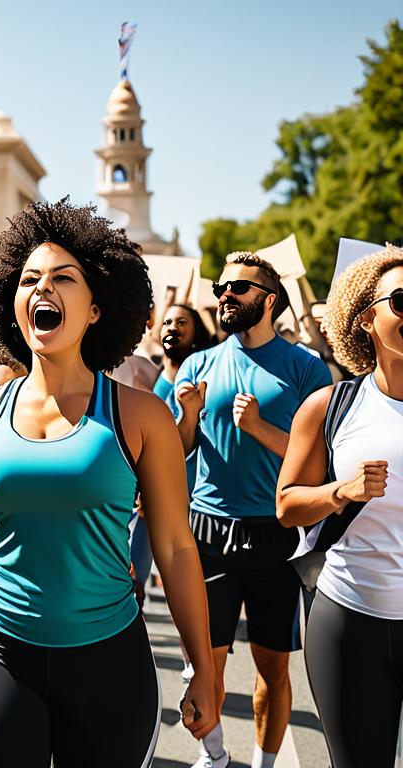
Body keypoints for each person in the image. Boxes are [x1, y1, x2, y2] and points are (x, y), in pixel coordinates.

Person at [0, 199, 217, 767]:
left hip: (110, 663)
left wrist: (203, 668)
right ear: (11, 301)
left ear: (97, 308)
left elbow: (177, 548)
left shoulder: (140, 416)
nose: (42, 288)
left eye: (63, 278)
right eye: (29, 278)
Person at [174, 252, 332, 768]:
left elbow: (322, 462)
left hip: (277, 533)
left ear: (268, 299)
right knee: (208, 665)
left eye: (238, 288)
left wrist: (260, 428)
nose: (225, 295)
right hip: (209, 531)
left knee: (273, 668)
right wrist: (189, 416)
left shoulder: (306, 367)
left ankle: (265, 763)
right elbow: (178, 451)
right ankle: (215, 757)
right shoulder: (198, 365)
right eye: (221, 287)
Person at [277, 247, 403, 767]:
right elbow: (286, 506)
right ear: (367, 319)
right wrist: (341, 492)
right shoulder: (330, 407)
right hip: (350, 622)